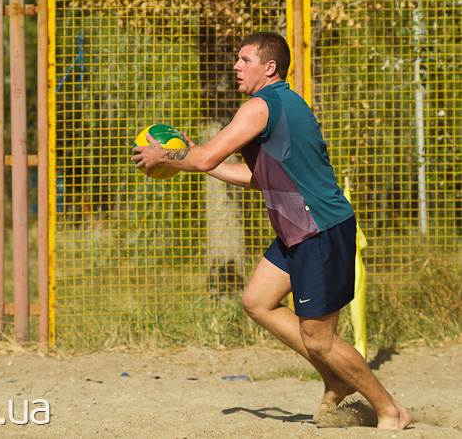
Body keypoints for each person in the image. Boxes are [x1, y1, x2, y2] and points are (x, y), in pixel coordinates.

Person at [131, 31, 411, 430]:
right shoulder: (281, 105)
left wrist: (169, 155)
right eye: (237, 59)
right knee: (257, 301)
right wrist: (188, 159)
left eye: (245, 60)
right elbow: (256, 176)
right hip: (298, 227)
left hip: (320, 228)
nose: (236, 66)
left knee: (320, 339)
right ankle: (336, 376)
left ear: (270, 67)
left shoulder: (260, 107)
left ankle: (390, 409)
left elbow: (209, 155)